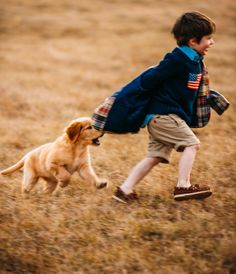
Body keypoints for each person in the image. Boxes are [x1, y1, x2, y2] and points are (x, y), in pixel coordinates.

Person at [92, 11, 229, 203]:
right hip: (164, 115)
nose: (212, 42)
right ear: (192, 41)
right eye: (208, 38)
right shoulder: (177, 60)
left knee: (154, 156)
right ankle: (183, 186)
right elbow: (151, 78)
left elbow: (188, 87)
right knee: (192, 144)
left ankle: (124, 190)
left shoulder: (194, 62)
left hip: (165, 116)